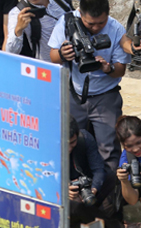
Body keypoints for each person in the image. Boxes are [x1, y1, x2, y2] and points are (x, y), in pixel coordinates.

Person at [49, 0, 131, 172]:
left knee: (108, 149)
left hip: (106, 97)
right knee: (68, 143)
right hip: (74, 95)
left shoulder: (116, 29)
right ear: (80, 12)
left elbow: (121, 70)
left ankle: (109, 193)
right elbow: (53, 56)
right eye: (90, 24)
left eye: (101, 23)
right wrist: (63, 54)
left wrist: (108, 68)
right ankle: (73, 186)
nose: (95, 28)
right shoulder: (67, 22)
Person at [69, 117, 141, 228]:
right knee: (76, 206)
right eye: (65, 144)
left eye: (72, 143)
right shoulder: (45, 150)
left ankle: (95, 220)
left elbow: (98, 169)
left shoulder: (84, 138)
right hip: (65, 198)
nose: (69, 148)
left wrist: (94, 189)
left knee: (113, 177)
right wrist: (65, 191)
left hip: (86, 189)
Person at [6, 0, 71, 61]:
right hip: (47, 67)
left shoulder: (61, 2)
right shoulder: (18, 13)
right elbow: (10, 53)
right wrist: (18, 30)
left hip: (75, 64)